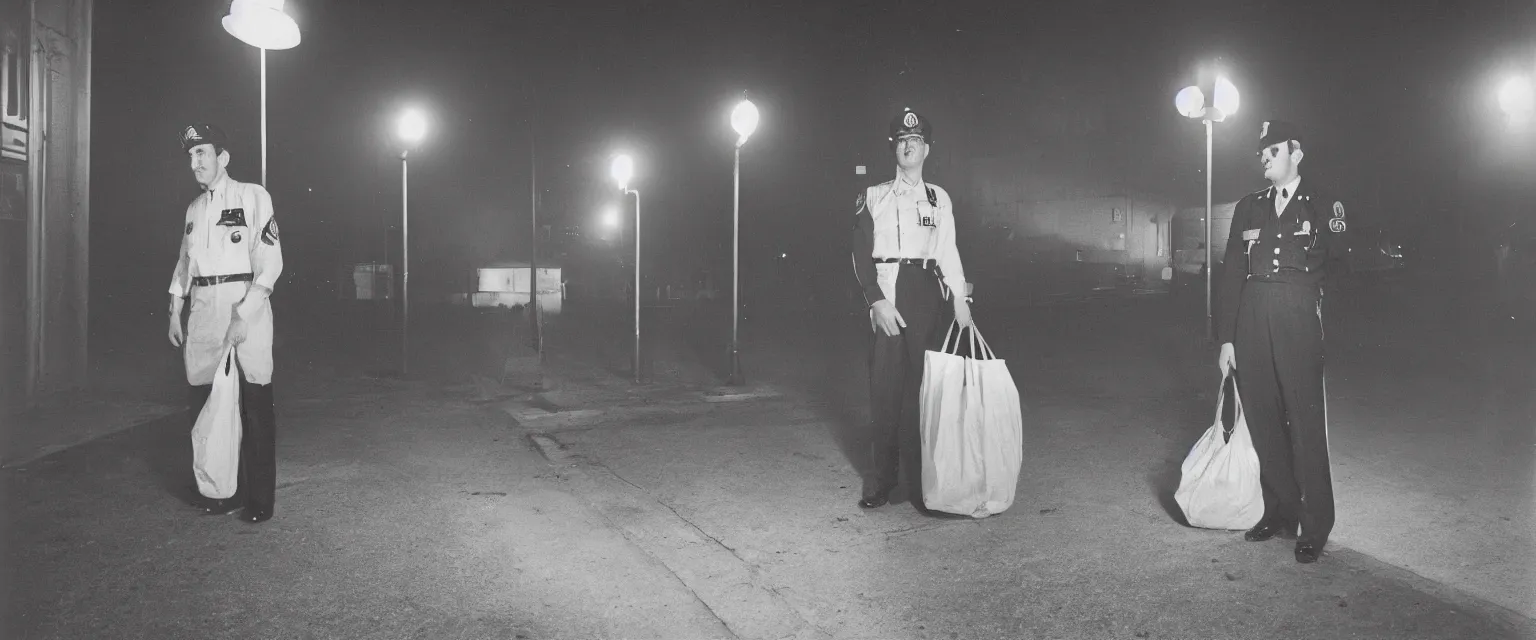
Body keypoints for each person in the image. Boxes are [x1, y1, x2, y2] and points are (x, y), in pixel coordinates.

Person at [1214, 120, 1347, 563]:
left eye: (1273, 151)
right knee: (1264, 419)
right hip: (1252, 317)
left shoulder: (1324, 203)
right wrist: (1227, 338)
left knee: (1305, 425)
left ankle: (1315, 524)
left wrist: (1329, 329)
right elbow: (1233, 272)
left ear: (1296, 152)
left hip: (1297, 318)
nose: (1265, 159)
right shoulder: (1249, 206)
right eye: (1262, 153)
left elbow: (1341, 272)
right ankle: (1279, 511)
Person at [850, 108, 974, 510]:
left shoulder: (939, 198)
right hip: (888, 292)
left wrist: (959, 298)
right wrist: (876, 301)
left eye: (916, 141)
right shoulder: (873, 196)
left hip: (924, 293)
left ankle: (925, 485)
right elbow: (858, 254)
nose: (908, 146)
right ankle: (883, 483)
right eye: (902, 141)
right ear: (894, 148)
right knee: (885, 392)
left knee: (927, 392)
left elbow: (947, 253)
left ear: (927, 149)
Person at [167, 123, 283, 524]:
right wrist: (173, 309)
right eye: (191, 156)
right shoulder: (193, 210)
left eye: (202, 153)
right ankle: (220, 492)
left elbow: (269, 263)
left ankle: (260, 500)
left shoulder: (252, 196)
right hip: (203, 315)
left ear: (223, 157)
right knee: (207, 407)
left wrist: (244, 313)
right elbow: (185, 264)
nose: (195, 162)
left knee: (253, 406)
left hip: (244, 310)